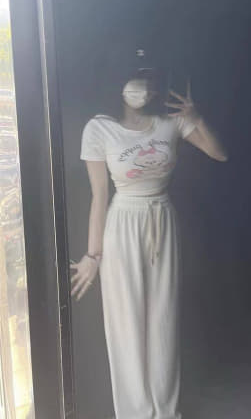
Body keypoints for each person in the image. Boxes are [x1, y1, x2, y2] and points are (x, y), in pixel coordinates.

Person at [70, 68, 227, 419]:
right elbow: (99, 196)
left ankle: (165, 411)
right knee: (126, 323)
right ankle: (136, 412)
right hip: (123, 222)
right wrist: (93, 255)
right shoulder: (99, 128)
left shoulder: (171, 122)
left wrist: (197, 118)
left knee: (163, 320)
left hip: (162, 220)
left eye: (146, 79)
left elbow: (219, 154)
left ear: (156, 86)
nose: (140, 87)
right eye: (133, 77)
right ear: (117, 82)